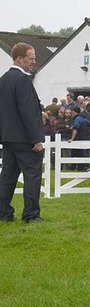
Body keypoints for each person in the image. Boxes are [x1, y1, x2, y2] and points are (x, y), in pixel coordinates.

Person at [0, 43, 45, 223]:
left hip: (8, 138)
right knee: (32, 175)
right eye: (31, 58)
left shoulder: (3, 80)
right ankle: (31, 215)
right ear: (20, 58)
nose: (33, 62)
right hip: (24, 139)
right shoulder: (23, 80)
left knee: (8, 176)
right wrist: (36, 139)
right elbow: (27, 111)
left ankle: (3, 213)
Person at [69, 107, 90, 171]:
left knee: (76, 153)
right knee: (84, 153)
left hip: (79, 139)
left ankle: (74, 167)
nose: (72, 114)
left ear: (75, 112)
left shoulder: (78, 119)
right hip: (86, 138)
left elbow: (76, 128)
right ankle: (84, 167)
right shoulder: (85, 119)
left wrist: (72, 139)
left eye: (73, 112)